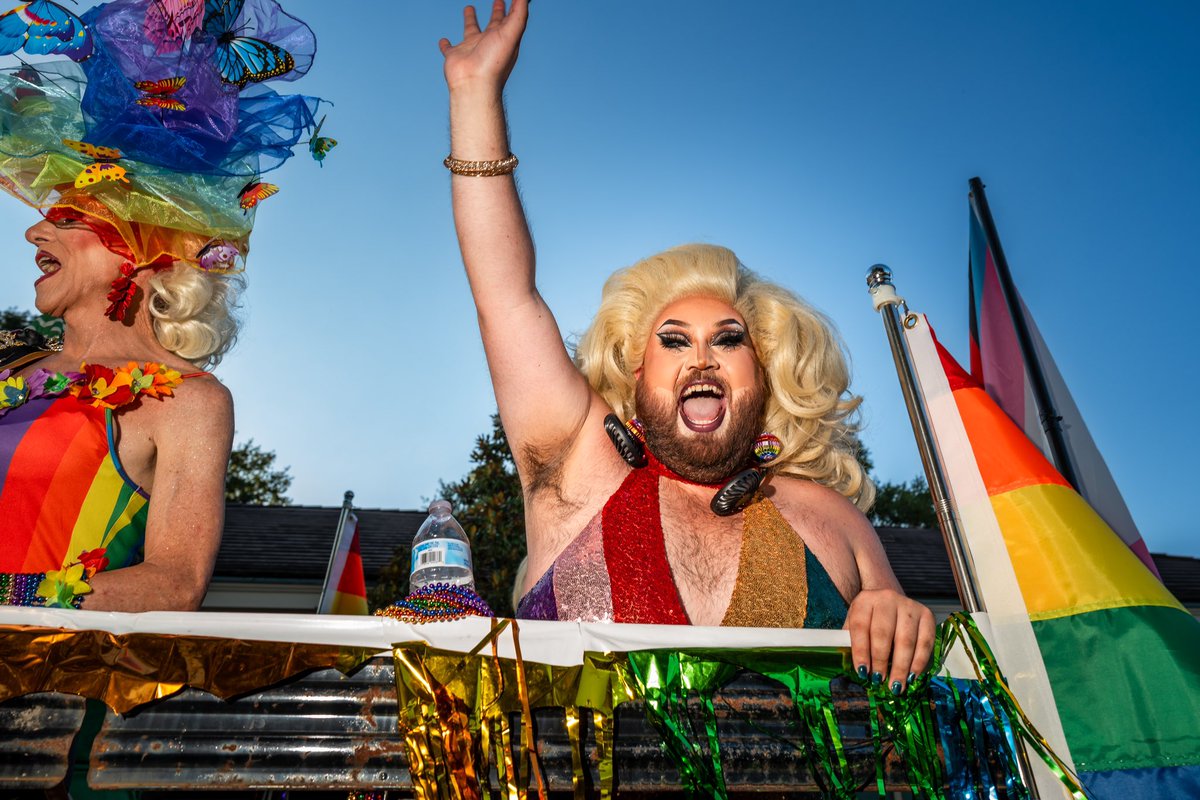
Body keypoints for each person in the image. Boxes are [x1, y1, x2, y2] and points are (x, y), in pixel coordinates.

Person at [439, 0, 935, 691]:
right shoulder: (578, 478)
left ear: (764, 378)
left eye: (728, 341)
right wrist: (473, 95)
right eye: (674, 342)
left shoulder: (828, 517)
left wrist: (896, 615)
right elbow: (506, 294)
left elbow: (894, 683)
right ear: (639, 376)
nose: (701, 357)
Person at [0, 0, 327, 613]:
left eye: (69, 218)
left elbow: (173, 584)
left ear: (145, 247)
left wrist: (11, 598)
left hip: (52, 693)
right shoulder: (6, 359)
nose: (34, 234)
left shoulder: (189, 402)